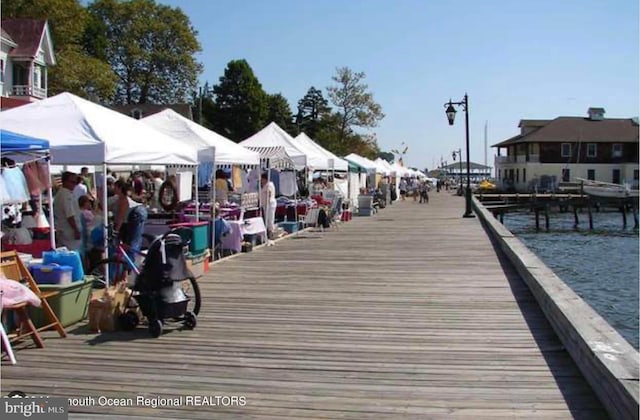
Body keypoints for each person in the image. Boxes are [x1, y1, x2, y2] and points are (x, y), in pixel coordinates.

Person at [112, 180, 148, 257]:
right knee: (133, 240)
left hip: (136, 214)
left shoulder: (123, 199)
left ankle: (131, 262)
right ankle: (130, 260)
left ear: (120, 188)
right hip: (138, 213)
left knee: (132, 242)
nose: (113, 189)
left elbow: (121, 217)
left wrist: (116, 231)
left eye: (115, 187)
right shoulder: (120, 198)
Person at [53, 171, 82, 251]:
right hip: (69, 231)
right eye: (72, 182)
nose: (74, 185)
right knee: (72, 254)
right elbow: (70, 214)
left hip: (65, 230)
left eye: (76, 182)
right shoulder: (65, 195)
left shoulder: (64, 193)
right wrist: (75, 230)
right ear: (65, 181)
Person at [260, 173, 277, 244]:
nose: (261, 180)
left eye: (262, 179)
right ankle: (269, 233)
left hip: (269, 204)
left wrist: (267, 202)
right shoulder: (266, 185)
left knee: (270, 219)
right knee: (268, 219)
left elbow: (269, 194)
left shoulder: (269, 185)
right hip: (266, 204)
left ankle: (271, 234)